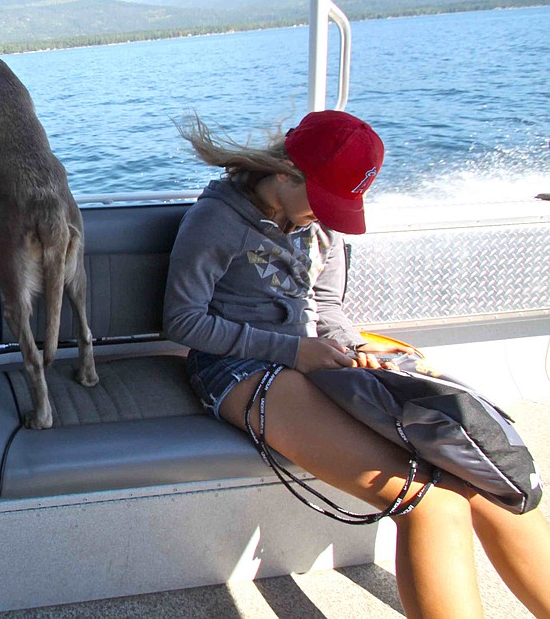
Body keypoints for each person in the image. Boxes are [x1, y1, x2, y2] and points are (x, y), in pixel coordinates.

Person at [163, 110, 550, 618]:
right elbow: (182, 322)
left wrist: (354, 348)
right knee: (429, 501)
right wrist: (294, 352)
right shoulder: (217, 220)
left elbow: (327, 309)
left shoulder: (319, 225)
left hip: (317, 359)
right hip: (237, 367)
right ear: (284, 173)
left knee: (481, 476)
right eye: (324, 202)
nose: (327, 216)